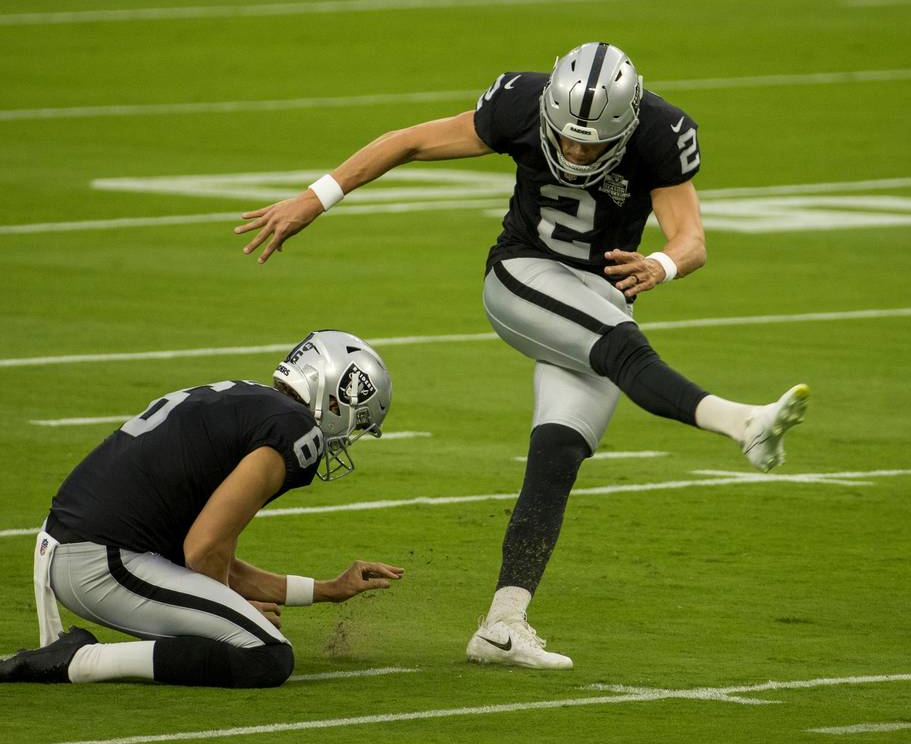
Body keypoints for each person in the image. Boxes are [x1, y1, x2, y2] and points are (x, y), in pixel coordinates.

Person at [233, 42, 809, 670]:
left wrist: (662, 264)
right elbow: (408, 142)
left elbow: (692, 240)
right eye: (565, 138)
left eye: (592, 144)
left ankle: (503, 624)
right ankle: (744, 423)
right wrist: (313, 199)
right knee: (624, 350)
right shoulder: (520, 103)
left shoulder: (660, 133)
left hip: (597, 296)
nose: (575, 152)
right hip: (523, 277)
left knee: (557, 458)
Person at [0, 330, 403, 688]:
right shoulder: (295, 430)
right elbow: (203, 550)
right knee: (266, 654)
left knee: (234, 630)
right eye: (356, 424)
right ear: (337, 400)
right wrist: (232, 604)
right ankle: (79, 660)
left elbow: (213, 551)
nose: (346, 439)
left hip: (80, 550)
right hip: (101, 562)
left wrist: (326, 591)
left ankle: (77, 656)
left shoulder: (249, 400)